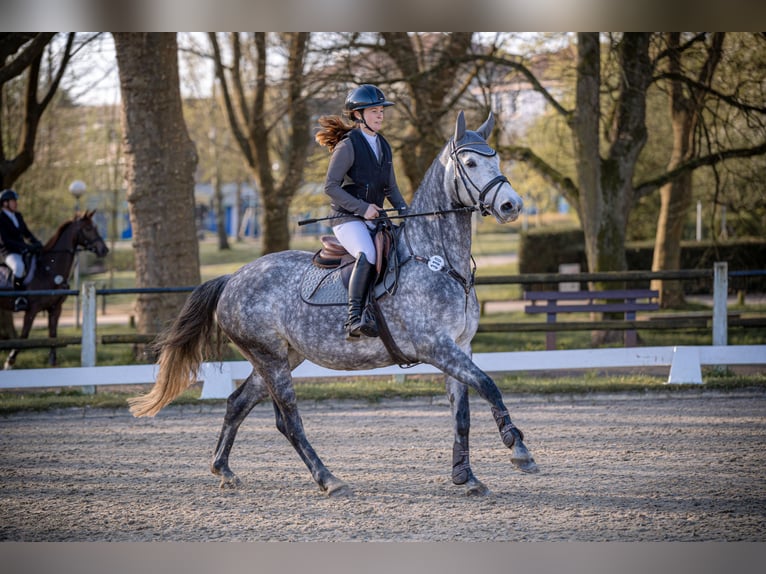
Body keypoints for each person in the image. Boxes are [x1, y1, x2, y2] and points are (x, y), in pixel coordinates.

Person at [315, 84, 408, 340]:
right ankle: (354, 318)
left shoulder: (383, 145)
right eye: (374, 111)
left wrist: (406, 211)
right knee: (366, 253)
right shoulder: (349, 145)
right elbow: (330, 187)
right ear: (358, 115)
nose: (380, 116)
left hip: (374, 217)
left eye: (382, 111)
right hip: (347, 218)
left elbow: (391, 187)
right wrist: (362, 208)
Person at [0, 189, 43, 311]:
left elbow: (26, 233)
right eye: (13, 201)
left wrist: (36, 242)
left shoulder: (17, 216)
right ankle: (18, 297)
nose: (16, 203)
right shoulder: (1, 218)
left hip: (20, 250)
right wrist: (25, 247)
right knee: (18, 266)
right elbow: (5, 241)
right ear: (5, 203)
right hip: (7, 252)